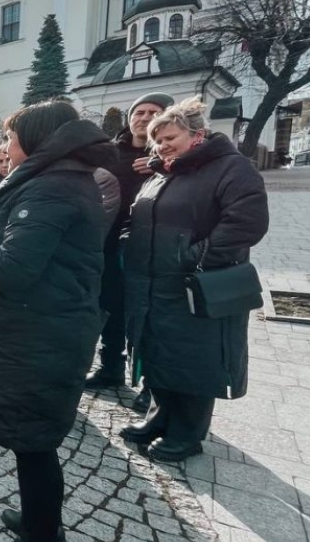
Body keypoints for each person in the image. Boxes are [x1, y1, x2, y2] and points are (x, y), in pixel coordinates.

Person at [0, 100, 116, 542]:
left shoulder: (51, 188)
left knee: (35, 446)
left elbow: (14, 267)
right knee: (32, 443)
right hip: (38, 329)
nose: (6, 145)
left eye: (10, 137)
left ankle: (43, 532)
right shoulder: (53, 180)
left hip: (41, 335)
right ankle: (36, 521)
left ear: (37, 139)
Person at [120, 97, 269, 462]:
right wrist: (129, 240)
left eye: (170, 137)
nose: (162, 145)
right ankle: (160, 417)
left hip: (196, 284)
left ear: (196, 134)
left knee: (193, 360)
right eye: (158, 140)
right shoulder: (164, 172)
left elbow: (245, 222)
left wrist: (195, 257)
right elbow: (139, 216)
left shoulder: (231, 168)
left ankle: (188, 434)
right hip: (154, 282)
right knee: (159, 352)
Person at [86, 93, 175, 418]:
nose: (144, 117)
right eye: (139, 112)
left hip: (151, 249)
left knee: (146, 316)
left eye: (154, 112)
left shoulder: (169, 154)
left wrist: (160, 167)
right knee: (110, 307)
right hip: (109, 245)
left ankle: (152, 384)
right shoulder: (111, 152)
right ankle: (111, 367)